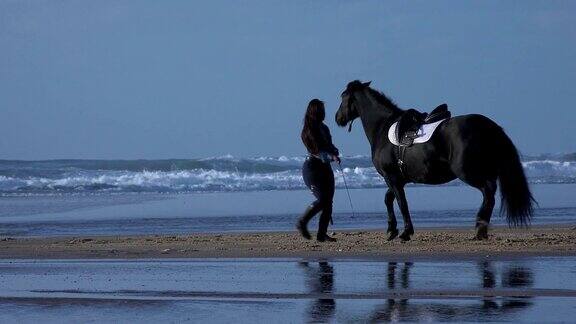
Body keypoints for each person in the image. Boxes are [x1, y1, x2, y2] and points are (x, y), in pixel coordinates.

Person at [297, 99, 340, 242]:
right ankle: (302, 222)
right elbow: (316, 152)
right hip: (312, 169)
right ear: (315, 112)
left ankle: (322, 234)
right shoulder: (307, 131)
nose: (324, 113)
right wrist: (331, 156)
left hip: (325, 169)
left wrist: (334, 151)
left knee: (328, 202)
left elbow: (329, 145)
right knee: (322, 200)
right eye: (321, 110)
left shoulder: (324, 128)